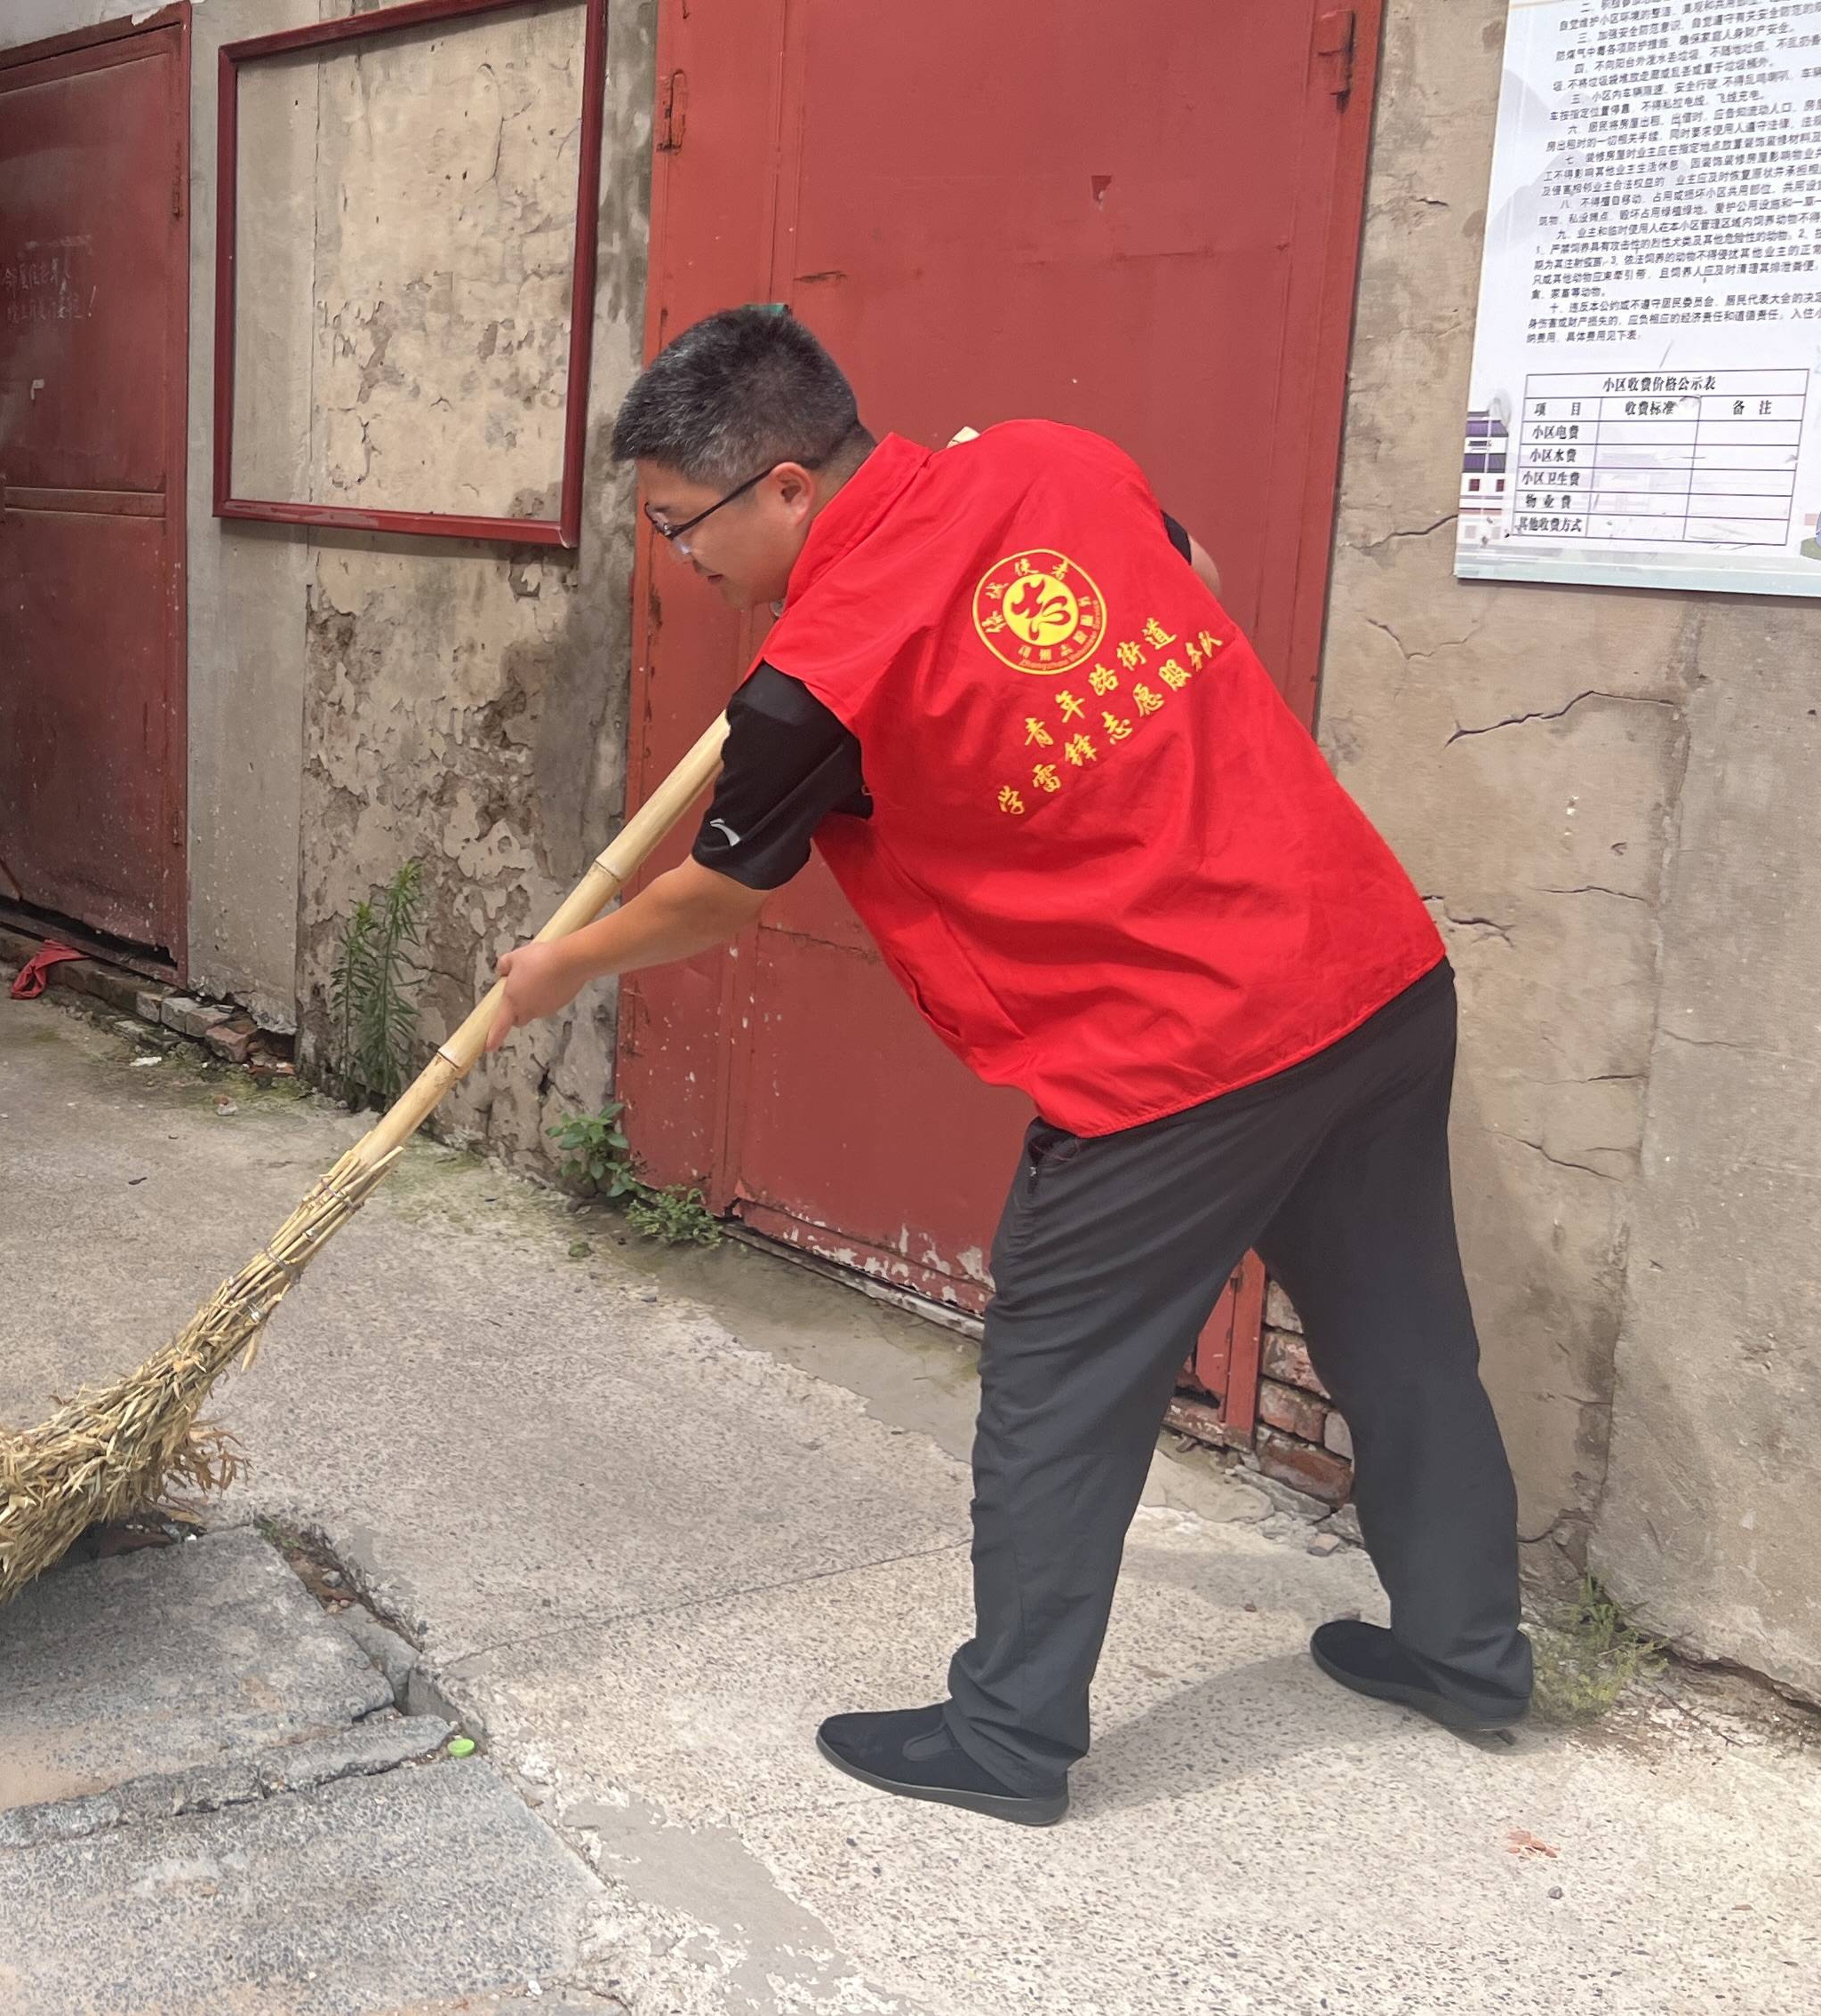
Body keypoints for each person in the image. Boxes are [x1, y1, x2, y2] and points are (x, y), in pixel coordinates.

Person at [490, 306, 1529, 1824]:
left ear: (783, 485)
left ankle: (1009, 1733)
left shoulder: (811, 679)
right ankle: (1466, 1654)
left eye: (679, 524)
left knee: (1055, 1383)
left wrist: (559, 964)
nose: (677, 560)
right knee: (1404, 1337)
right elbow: (1199, 586)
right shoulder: (1046, 464)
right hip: (1364, 969)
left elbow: (717, 898)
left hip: (1176, 1057)